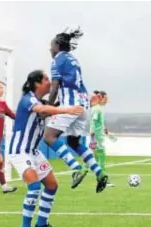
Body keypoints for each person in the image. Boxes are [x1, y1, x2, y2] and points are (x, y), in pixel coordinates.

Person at [9, 70, 84, 227]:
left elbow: (47, 109)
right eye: (46, 79)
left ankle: (42, 224)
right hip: (20, 151)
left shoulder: (38, 101)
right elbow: (42, 109)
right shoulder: (28, 99)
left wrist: (84, 104)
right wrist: (67, 110)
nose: (50, 82)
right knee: (34, 186)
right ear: (37, 83)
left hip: (34, 152)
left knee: (51, 186)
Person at [44, 27, 108, 192]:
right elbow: (71, 85)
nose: (50, 49)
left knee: (49, 137)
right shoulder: (73, 59)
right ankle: (99, 173)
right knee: (74, 142)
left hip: (71, 106)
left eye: (51, 46)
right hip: (83, 104)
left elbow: (55, 86)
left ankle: (75, 168)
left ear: (58, 45)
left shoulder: (57, 60)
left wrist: (49, 107)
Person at [89, 91, 114, 187]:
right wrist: (92, 138)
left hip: (98, 137)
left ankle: (100, 178)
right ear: (101, 97)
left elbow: (98, 124)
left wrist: (105, 130)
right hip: (96, 138)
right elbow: (93, 123)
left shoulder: (100, 109)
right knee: (100, 157)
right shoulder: (97, 109)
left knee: (95, 158)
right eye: (106, 98)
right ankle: (102, 179)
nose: (107, 100)